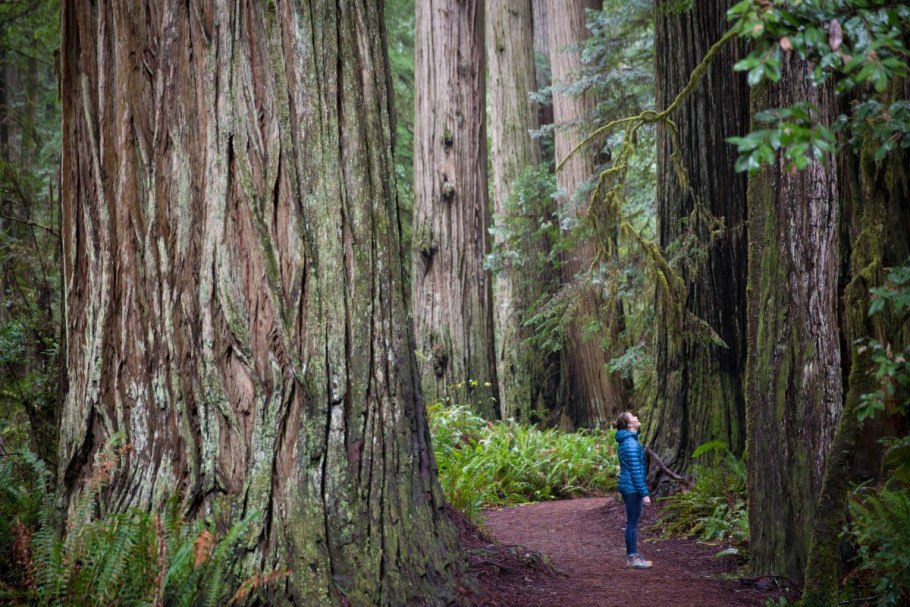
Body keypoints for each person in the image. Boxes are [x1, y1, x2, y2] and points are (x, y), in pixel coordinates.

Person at [615, 411, 652, 569]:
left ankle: (633, 554)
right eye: (633, 417)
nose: (637, 418)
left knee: (632, 522)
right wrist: (645, 494)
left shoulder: (627, 441)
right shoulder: (631, 443)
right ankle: (632, 558)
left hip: (628, 486)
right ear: (629, 424)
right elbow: (636, 472)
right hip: (632, 487)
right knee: (632, 523)